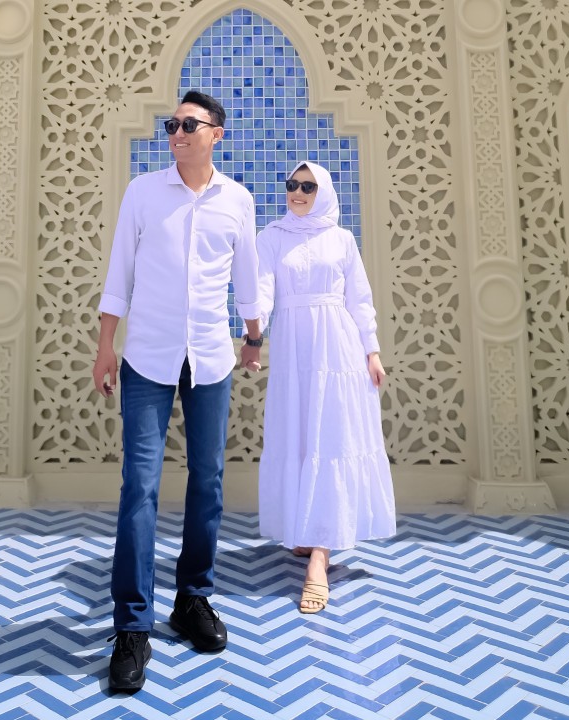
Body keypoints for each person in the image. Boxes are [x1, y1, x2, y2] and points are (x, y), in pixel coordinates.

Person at [93, 90, 263, 692]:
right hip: (147, 358)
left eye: (190, 125)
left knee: (208, 481)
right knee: (139, 486)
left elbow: (247, 279)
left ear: (217, 133)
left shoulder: (237, 200)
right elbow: (119, 273)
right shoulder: (143, 193)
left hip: (211, 359)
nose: (178, 133)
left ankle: (192, 599)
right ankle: (132, 626)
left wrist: (254, 338)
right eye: (172, 125)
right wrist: (105, 345)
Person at [255, 161, 397, 614]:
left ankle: (320, 556)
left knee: (331, 440)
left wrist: (372, 351)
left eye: (308, 186)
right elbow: (261, 292)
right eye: (292, 184)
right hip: (293, 353)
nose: (297, 192)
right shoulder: (271, 236)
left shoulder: (342, 239)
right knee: (299, 438)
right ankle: (309, 529)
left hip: (338, 350)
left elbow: (360, 298)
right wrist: (252, 336)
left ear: (325, 192)